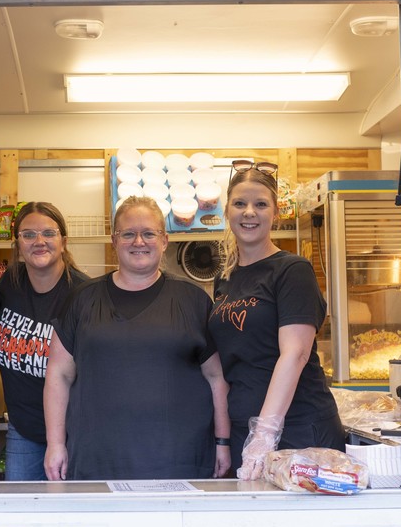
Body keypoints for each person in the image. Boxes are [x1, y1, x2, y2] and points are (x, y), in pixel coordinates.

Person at [43, 195, 230, 481]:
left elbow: (216, 378)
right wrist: (55, 444)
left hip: (179, 460)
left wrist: (222, 442)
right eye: (128, 234)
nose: (138, 242)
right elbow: (58, 375)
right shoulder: (81, 299)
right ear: (114, 240)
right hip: (98, 458)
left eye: (148, 234)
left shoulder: (192, 300)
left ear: (165, 240)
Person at [208, 159, 345, 481]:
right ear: (227, 210)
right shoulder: (225, 280)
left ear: (276, 213)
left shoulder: (292, 270)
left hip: (297, 428)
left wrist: (266, 433)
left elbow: (295, 353)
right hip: (246, 426)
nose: (249, 212)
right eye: (239, 203)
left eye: (260, 204)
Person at [0, 201, 89, 481]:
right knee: (21, 515)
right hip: (23, 430)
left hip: (73, 434)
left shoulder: (82, 294)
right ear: (18, 242)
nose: (39, 242)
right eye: (28, 234)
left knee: (69, 518)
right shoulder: (10, 284)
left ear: (63, 241)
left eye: (49, 233)